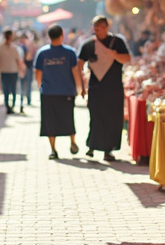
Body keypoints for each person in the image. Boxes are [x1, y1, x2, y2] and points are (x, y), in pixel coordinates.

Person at [77, 15, 132, 161]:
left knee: (112, 118)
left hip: (114, 87)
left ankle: (108, 150)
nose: (98, 31)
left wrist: (114, 55)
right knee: (96, 117)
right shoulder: (88, 44)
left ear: (107, 28)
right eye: (95, 29)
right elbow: (79, 64)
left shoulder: (117, 42)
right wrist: (81, 86)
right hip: (95, 87)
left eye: (100, 28)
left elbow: (127, 58)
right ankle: (92, 146)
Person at [34, 24, 82, 160]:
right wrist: (78, 88)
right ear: (62, 35)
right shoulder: (70, 52)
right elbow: (75, 71)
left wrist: (40, 87)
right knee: (68, 118)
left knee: (50, 121)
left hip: (48, 92)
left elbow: (38, 73)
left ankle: (53, 150)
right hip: (67, 92)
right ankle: (72, 142)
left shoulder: (42, 53)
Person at [0, 28, 24, 115]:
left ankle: (8, 107)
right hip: (12, 71)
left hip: (5, 71)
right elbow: (18, 61)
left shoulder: (1, 47)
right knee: (13, 90)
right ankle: (11, 107)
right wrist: (21, 70)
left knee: (6, 90)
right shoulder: (14, 48)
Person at [18, 30, 38, 113]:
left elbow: (30, 57)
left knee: (28, 84)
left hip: (29, 68)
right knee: (23, 85)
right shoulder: (19, 48)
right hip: (23, 68)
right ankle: (22, 101)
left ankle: (28, 100)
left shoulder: (29, 47)